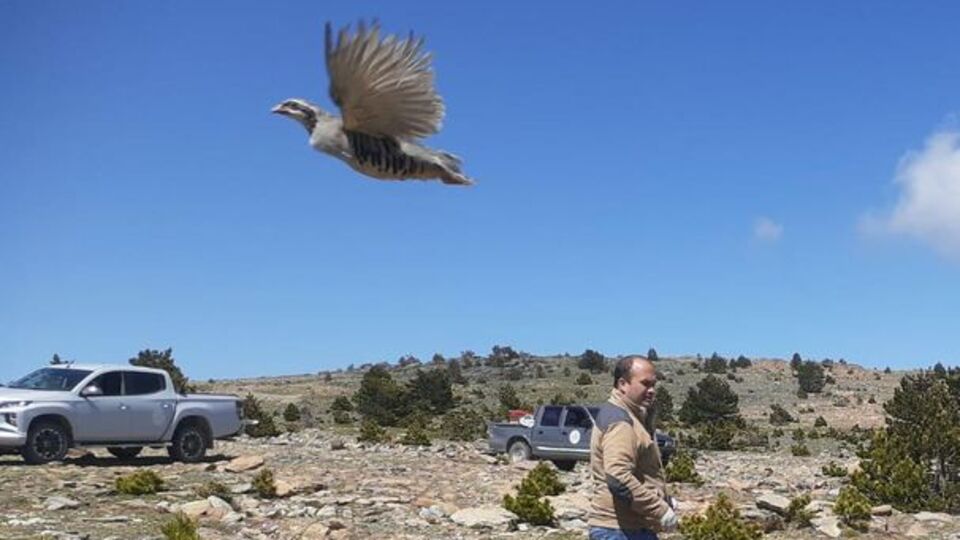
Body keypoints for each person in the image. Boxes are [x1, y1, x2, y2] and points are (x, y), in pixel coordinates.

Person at [588, 355, 678, 540]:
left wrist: (664, 499)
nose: (652, 390)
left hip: (628, 528)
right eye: (645, 384)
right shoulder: (620, 421)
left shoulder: (628, 416)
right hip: (619, 530)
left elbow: (639, 472)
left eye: (654, 385)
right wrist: (659, 509)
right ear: (623, 384)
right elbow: (617, 477)